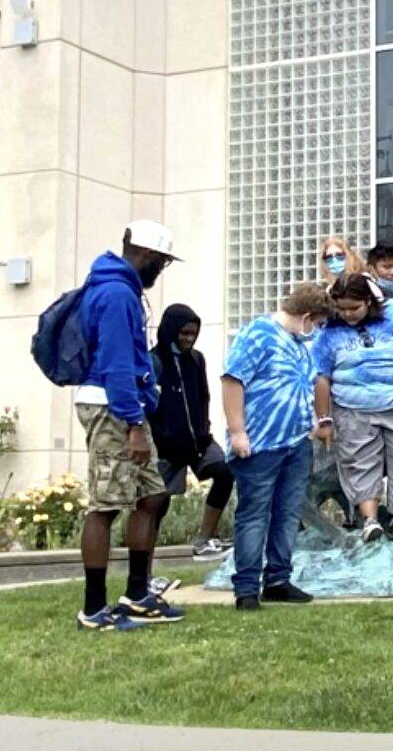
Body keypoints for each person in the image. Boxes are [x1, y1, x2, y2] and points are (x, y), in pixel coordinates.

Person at [73, 221, 184, 631]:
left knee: (151, 496)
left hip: (126, 406)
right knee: (104, 505)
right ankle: (93, 610)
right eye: (163, 263)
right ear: (149, 256)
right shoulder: (117, 294)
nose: (162, 271)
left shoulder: (119, 288)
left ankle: (137, 594)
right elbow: (118, 364)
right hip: (113, 408)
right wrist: (135, 424)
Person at [221, 283, 334, 611]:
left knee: (287, 513)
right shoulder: (257, 334)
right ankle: (246, 587)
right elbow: (232, 381)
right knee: (255, 514)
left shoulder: (301, 344)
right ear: (307, 317)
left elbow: (306, 384)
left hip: (296, 443)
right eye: (318, 323)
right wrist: (237, 431)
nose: (317, 330)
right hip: (260, 444)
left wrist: (313, 420)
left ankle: (278, 579)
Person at [314, 272, 393, 547]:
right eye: (341, 309)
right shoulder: (327, 330)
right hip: (353, 407)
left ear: (369, 301)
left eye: (353, 308)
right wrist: (325, 419)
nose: (347, 315)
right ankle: (369, 520)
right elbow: (321, 376)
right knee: (359, 461)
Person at [147, 303, 234, 560]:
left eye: (192, 333)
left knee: (225, 472)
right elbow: (149, 405)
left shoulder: (196, 359)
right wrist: (161, 437)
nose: (187, 338)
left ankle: (205, 538)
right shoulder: (154, 361)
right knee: (157, 504)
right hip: (166, 447)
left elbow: (203, 396)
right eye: (183, 333)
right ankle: (145, 571)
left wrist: (203, 429)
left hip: (198, 442)